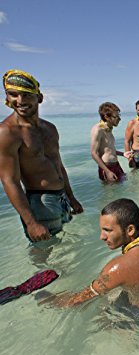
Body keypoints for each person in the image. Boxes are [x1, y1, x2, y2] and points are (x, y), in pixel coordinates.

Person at [42, 198, 139, 308]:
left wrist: (49, 300)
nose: (102, 237)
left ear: (130, 229)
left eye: (108, 230)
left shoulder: (116, 268)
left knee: (105, 315)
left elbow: (78, 300)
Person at [0, 69, 83, 242]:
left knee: (63, 250)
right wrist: (31, 223)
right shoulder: (7, 132)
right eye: (13, 95)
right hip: (39, 203)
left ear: (39, 98)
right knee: (43, 254)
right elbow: (9, 180)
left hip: (62, 199)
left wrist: (71, 197)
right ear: (7, 98)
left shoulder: (50, 128)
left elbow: (59, 165)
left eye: (26, 95)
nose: (20, 101)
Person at [90, 102, 126, 183]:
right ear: (106, 117)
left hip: (116, 165)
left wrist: (123, 154)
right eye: (116, 116)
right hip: (107, 168)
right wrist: (107, 171)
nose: (119, 119)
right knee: (111, 195)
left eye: (119, 116)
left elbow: (108, 150)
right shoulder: (97, 129)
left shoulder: (109, 129)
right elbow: (93, 153)